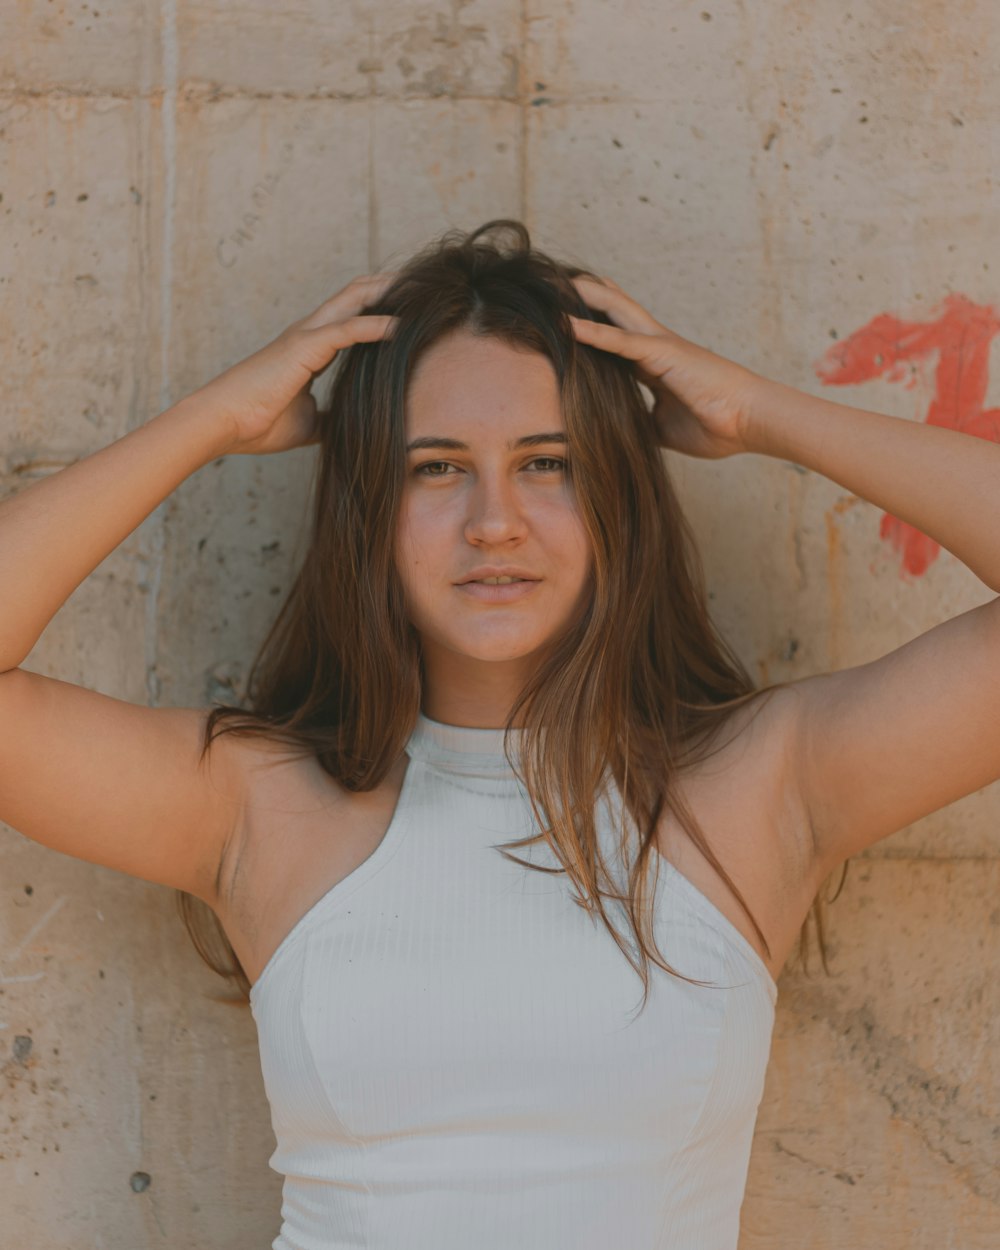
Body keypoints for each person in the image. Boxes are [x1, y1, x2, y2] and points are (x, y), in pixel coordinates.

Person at [2, 218, 998, 1248]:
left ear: (618, 489)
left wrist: (758, 412)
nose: (493, 520)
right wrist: (214, 417)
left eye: (548, 462)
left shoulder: (758, 785)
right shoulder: (256, 800)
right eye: (435, 468)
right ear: (370, 505)